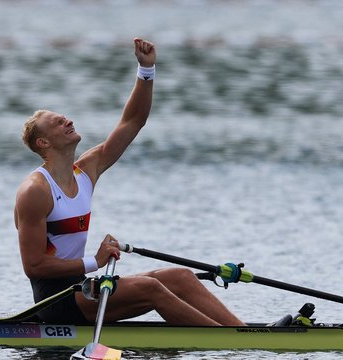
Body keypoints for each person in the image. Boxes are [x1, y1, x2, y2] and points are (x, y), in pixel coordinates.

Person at [14, 38, 244, 326]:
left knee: (180, 277)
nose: (68, 121)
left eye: (65, 118)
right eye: (58, 123)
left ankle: (242, 334)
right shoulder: (35, 191)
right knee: (150, 288)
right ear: (44, 142)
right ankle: (231, 346)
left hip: (81, 287)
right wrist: (95, 262)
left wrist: (145, 70)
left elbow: (132, 122)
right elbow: (33, 265)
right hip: (57, 301)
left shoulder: (86, 170)